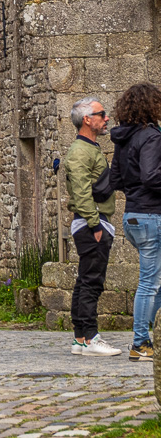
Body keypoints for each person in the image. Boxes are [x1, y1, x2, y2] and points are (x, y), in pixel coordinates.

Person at [65, 96, 120, 356]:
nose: (106, 118)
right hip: (91, 223)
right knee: (92, 282)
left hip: (93, 221)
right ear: (87, 119)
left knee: (85, 280)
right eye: (102, 114)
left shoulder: (90, 148)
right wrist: (95, 224)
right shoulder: (79, 152)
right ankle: (91, 338)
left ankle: (80, 339)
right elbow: (81, 191)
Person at [110, 83, 161, 360]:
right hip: (151, 217)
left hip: (132, 216)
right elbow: (151, 176)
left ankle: (154, 334)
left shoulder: (124, 137)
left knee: (155, 281)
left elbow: (116, 179)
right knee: (149, 283)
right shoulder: (150, 136)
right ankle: (140, 342)